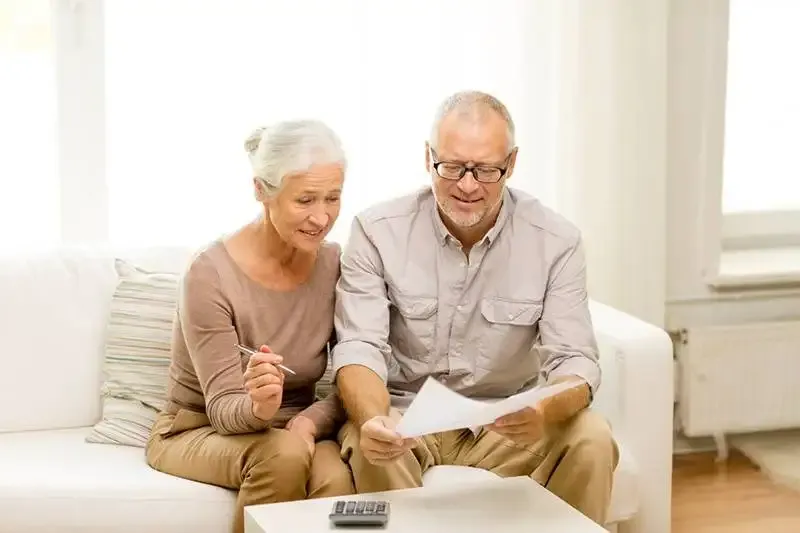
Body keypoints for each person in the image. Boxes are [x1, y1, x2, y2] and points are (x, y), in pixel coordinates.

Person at [331, 91, 619, 525]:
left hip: (506, 421)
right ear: (428, 158)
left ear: (512, 164)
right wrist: (374, 420)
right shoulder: (376, 231)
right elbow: (358, 348)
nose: (468, 186)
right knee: (371, 444)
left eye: (486, 170)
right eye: (452, 167)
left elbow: (575, 361)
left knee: (593, 437)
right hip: (406, 419)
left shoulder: (556, 241)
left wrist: (541, 410)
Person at [145, 119, 355, 533]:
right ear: (261, 190)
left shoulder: (335, 264)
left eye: (333, 198)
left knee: (336, 480)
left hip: (293, 426)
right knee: (283, 456)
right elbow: (223, 409)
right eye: (305, 200)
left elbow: (355, 375)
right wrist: (261, 406)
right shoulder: (210, 274)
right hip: (197, 427)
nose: (322, 216)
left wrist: (310, 421)